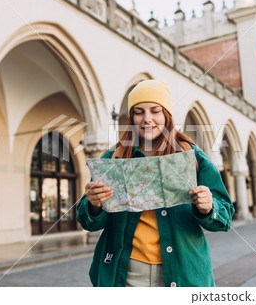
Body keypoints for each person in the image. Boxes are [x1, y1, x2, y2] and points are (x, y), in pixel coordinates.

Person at [77, 80, 234, 287]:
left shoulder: (193, 156)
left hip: (183, 272)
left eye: (155, 110)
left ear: (166, 116)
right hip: (126, 274)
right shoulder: (113, 157)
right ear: (132, 117)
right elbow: (88, 221)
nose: (147, 119)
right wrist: (94, 204)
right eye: (139, 111)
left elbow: (225, 216)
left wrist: (208, 207)